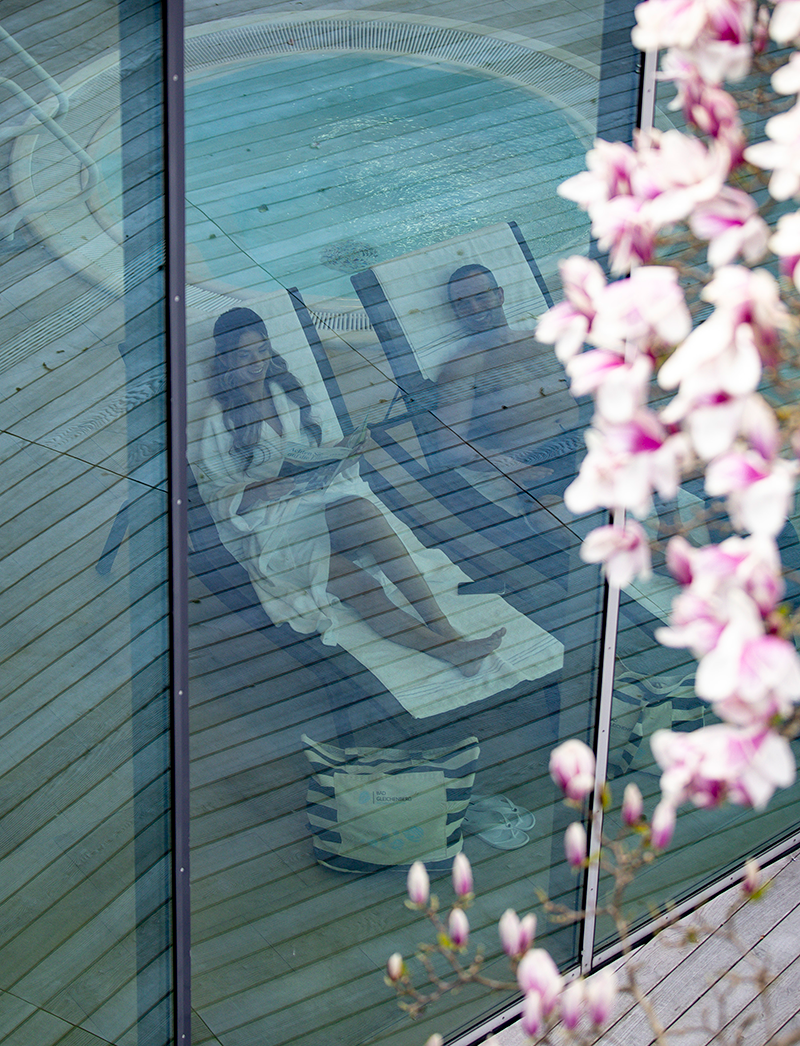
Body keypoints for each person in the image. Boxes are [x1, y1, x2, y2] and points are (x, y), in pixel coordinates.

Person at [195, 307, 505, 676]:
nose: (257, 362)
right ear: (226, 361)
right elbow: (215, 493)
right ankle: (451, 651)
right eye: (244, 355)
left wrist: (345, 450)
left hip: (315, 500)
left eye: (262, 350)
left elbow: (322, 448)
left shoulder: (288, 392)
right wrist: (259, 490)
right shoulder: (219, 418)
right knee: (359, 583)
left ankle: (442, 624)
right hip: (273, 528)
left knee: (361, 508)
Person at [434, 264, 579, 489]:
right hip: (537, 460)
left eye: (481, 297)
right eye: (463, 303)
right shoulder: (463, 366)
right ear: (456, 311)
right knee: (550, 512)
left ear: (499, 295)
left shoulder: (543, 339)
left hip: (586, 438)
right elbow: (450, 442)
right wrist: (507, 465)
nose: (474, 307)